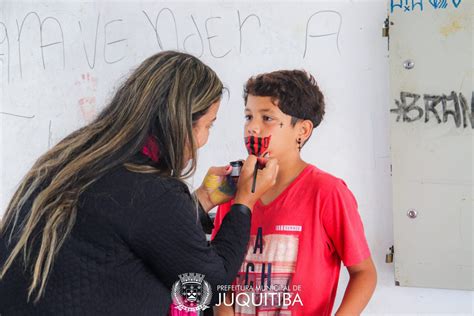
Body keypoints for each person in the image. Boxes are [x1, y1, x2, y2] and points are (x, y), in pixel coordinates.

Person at [0, 51, 279, 315]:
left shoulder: (74, 156)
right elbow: (210, 285)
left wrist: (203, 199)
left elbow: (141, 230)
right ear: (182, 123)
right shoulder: (150, 191)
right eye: (208, 125)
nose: (204, 139)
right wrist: (244, 203)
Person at [212, 70, 377, 315]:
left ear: (302, 130)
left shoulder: (327, 192)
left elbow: (364, 273)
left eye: (267, 118)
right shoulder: (234, 188)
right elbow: (218, 269)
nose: (252, 128)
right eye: (248, 117)